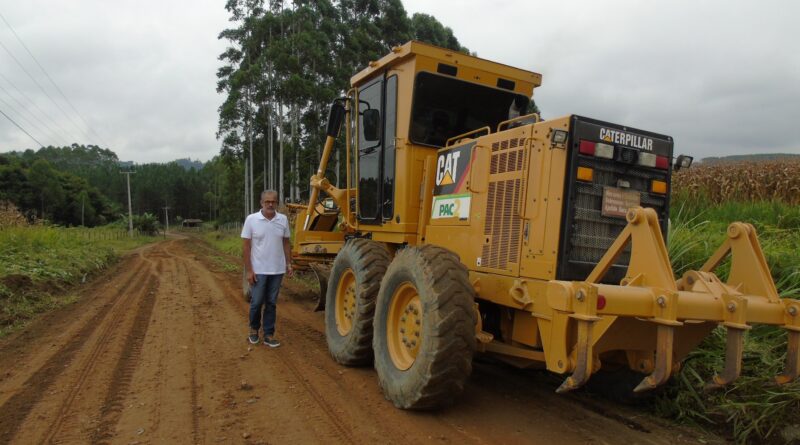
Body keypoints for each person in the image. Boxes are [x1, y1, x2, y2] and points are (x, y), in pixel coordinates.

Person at [241, 190, 293, 347]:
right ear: (261, 203)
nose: (270, 204)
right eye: (267, 201)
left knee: (271, 303)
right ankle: (253, 330)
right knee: (256, 302)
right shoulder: (251, 220)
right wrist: (249, 270)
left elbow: (286, 242)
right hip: (258, 270)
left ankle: (269, 334)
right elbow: (246, 246)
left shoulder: (282, 220)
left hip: (277, 270)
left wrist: (288, 263)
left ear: (277, 203)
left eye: (274, 201)